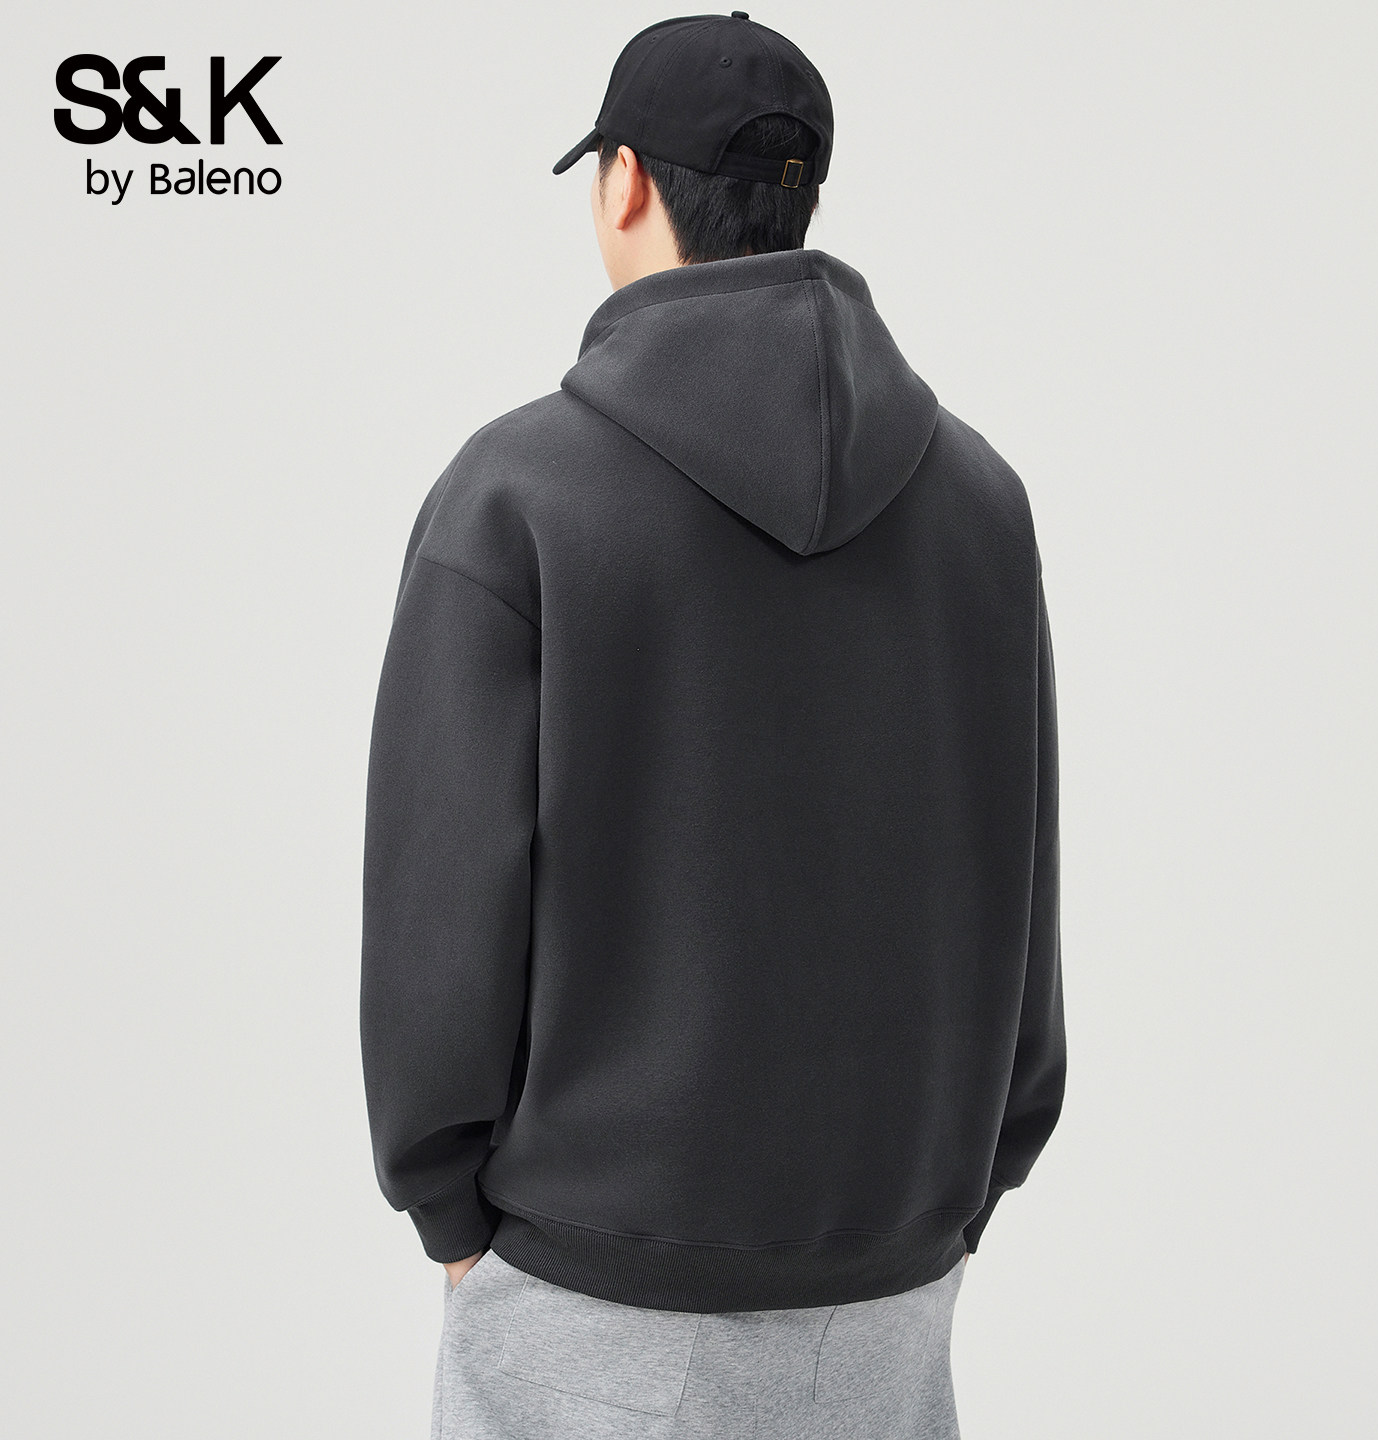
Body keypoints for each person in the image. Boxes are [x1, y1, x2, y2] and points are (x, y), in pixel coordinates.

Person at [359, 12, 1066, 1438]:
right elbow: (1022, 874)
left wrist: (448, 1210)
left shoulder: (517, 497)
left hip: (590, 1292)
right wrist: (966, 1186)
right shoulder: (982, 505)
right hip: (894, 1295)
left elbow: (441, 907)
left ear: (623, 182)